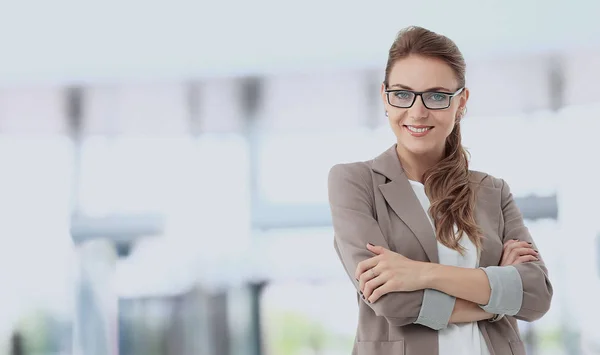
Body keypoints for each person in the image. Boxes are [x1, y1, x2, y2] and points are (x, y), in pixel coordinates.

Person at [327, 26, 552, 355]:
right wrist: (497, 301)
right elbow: (393, 302)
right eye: (402, 94)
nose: (417, 112)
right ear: (384, 97)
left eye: (436, 96)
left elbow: (535, 295)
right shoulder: (355, 183)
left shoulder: (492, 191)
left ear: (461, 101)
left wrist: (420, 273)